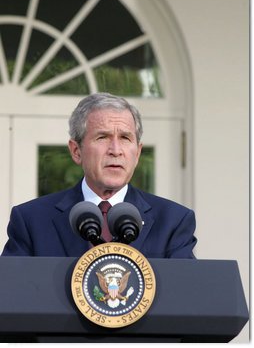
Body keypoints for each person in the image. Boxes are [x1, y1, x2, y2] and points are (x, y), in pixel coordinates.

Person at [1, 92, 197, 258]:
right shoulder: (31, 220)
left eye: (125, 138)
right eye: (102, 137)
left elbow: (183, 297)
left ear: (137, 153)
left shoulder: (173, 221)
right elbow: (12, 294)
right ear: (76, 151)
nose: (115, 150)